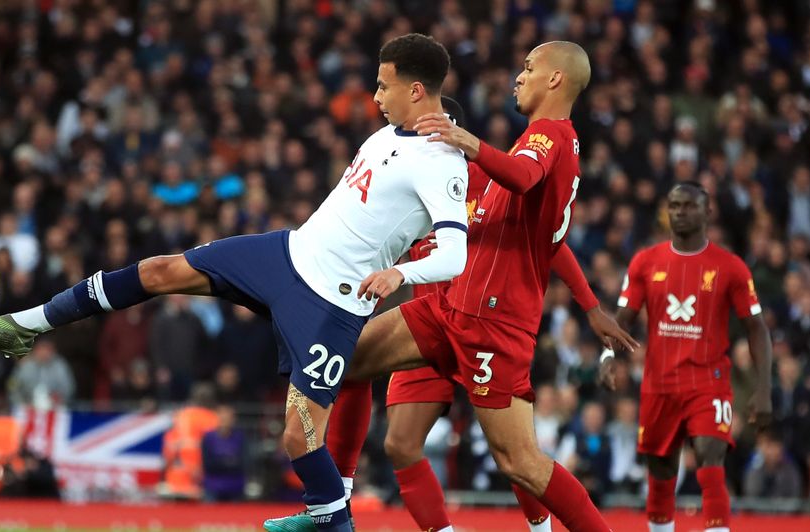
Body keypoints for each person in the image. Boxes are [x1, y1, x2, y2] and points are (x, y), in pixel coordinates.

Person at [0, 33, 470, 532]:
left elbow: (454, 254)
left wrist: (399, 272)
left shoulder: (441, 162)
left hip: (330, 304)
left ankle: (333, 519)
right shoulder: (387, 134)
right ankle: (26, 325)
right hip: (285, 254)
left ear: (415, 90)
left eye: (383, 85)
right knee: (157, 271)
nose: (375, 96)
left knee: (299, 437)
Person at [268, 41, 632, 532]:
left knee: (519, 461)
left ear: (554, 79)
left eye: (528, 68)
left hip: (491, 320)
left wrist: (468, 142)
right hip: (446, 308)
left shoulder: (547, 137)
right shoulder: (520, 146)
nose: (518, 76)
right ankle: (337, 505)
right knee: (345, 365)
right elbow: (543, 233)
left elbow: (526, 184)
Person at [600, 182, 773, 532]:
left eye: (688, 206)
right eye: (674, 205)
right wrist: (607, 355)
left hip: (708, 382)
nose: (680, 212)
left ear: (707, 212)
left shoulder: (731, 267)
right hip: (659, 385)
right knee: (661, 472)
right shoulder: (645, 262)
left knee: (710, 458)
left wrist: (763, 388)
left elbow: (757, 328)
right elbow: (623, 319)